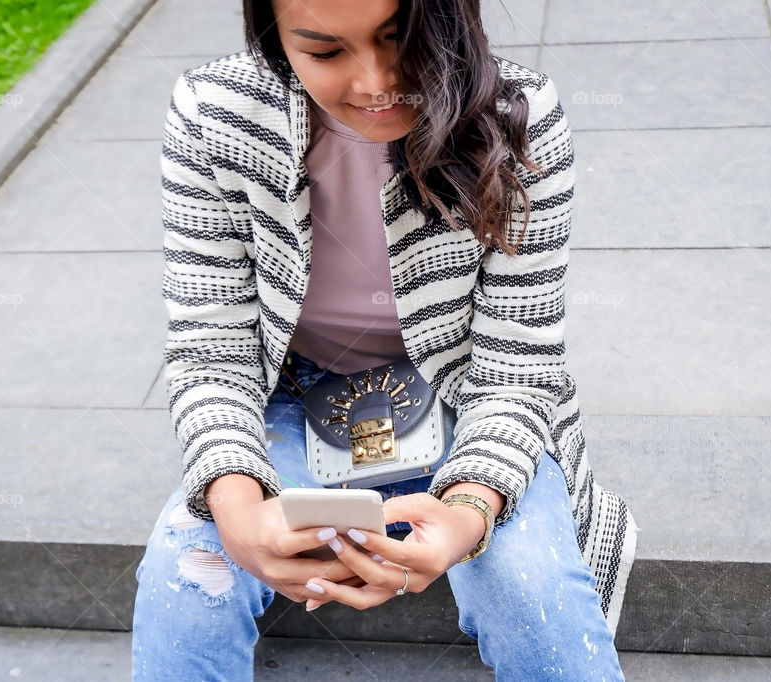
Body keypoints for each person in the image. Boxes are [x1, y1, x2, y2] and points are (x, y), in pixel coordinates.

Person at [132, 0, 638, 679]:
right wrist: (235, 504)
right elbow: (210, 346)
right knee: (186, 572)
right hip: (293, 394)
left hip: (464, 394)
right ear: (276, 40)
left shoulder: (518, 120)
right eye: (325, 51)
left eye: (399, 40)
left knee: (529, 584)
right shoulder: (215, 114)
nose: (375, 82)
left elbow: (517, 365)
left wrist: (466, 514)